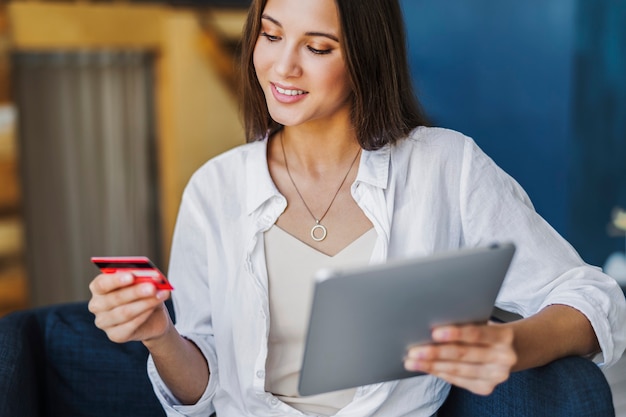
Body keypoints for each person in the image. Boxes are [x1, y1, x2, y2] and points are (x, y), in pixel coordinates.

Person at [87, 0, 626, 415]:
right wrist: (160, 335)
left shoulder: (445, 167)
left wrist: (511, 342)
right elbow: (202, 394)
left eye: (317, 48)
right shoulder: (215, 189)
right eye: (271, 36)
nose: (282, 66)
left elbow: (594, 295)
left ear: (366, 57)